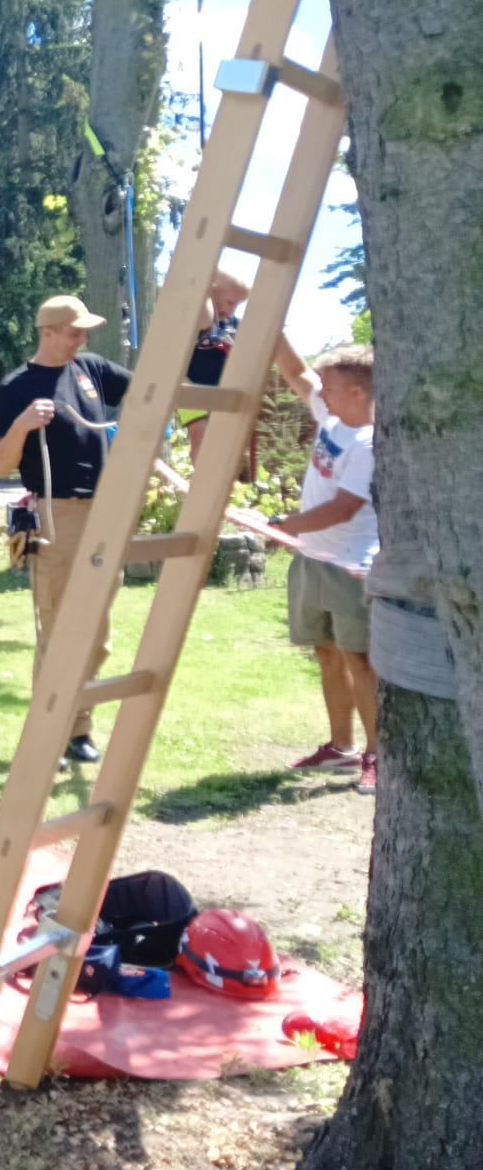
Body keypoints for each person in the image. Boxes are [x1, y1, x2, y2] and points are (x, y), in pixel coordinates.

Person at [0, 294, 133, 765]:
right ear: (47, 333)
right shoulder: (16, 387)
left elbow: (147, 391)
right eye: (73, 332)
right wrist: (23, 426)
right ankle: (49, 735)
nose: (81, 340)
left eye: (84, 332)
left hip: (104, 514)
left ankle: (78, 729)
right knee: (58, 633)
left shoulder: (91, 369)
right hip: (57, 516)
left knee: (97, 635)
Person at [269, 339, 379, 793]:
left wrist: (286, 524)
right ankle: (341, 747)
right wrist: (269, 329)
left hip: (349, 566)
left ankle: (377, 755)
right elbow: (297, 374)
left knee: (360, 660)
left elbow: (344, 508)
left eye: (329, 386)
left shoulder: (368, 442)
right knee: (327, 652)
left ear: (357, 391)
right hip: (313, 558)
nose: (320, 392)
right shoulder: (333, 418)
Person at [181, 271, 250, 461]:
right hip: (190, 386)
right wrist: (214, 283)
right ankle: (201, 473)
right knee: (200, 436)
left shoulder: (232, 325)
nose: (232, 310)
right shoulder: (202, 315)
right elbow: (205, 318)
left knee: (221, 442)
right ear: (211, 290)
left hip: (221, 391)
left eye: (237, 305)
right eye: (229, 302)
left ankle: (209, 473)